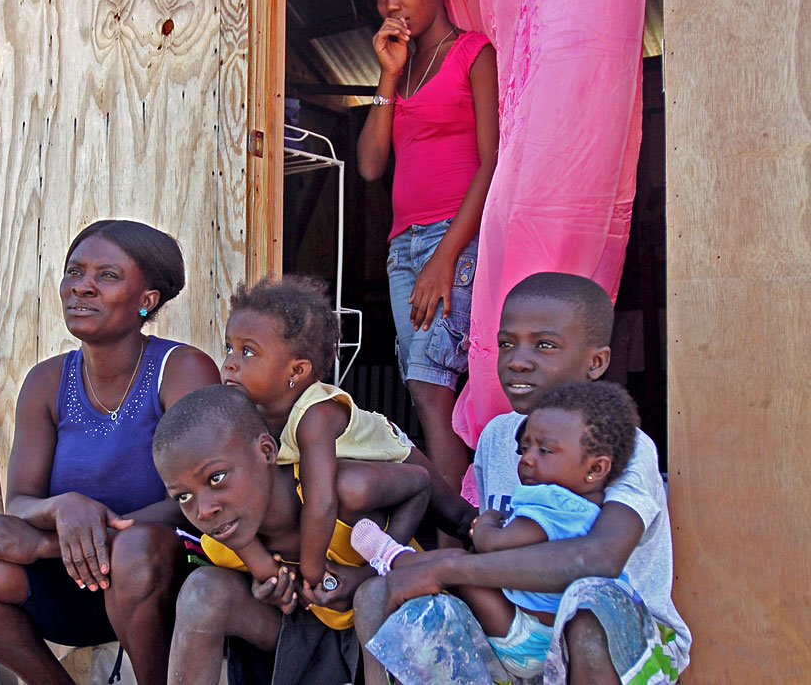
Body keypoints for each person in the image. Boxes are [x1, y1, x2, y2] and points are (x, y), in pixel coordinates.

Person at [353, 272, 691, 684]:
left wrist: (447, 569)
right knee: (390, 601)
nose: (517, 359)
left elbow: (599, 558)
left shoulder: (624, 447)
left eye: (544, 345)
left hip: (627, 639)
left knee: (587, 609)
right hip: (521, 630)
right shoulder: (498, 436)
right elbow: (479, 536)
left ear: (595, 362)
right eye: (506, 343)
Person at [0, 220, 221, 684]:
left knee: (135, 550)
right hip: (78, 580)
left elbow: (204, 503)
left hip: (165, 578)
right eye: (74, 271)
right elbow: (21, 501)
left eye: (107, 276)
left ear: (147, 300)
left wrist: (48, 541)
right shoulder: (47, 382)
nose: (81, 287)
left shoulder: (182, 369)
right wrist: (63, 507)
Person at [351, 380, 640, 682]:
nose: (527, 458)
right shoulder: (592, 508)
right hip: (548, 635)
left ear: (595, 469)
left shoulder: (550, 499)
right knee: (455, 566)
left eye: (545, 451)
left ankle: (394, 557)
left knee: (454, 563)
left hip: (525, 635)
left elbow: (493, 546)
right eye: (525, 448)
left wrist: (486, 523)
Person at [351, 0, 499, 519]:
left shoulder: (472, 53)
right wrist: (386, 78)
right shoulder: (403, 68)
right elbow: (368, 165)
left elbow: (491, 162)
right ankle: (457, 527)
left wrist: (447, 257)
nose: (392, 3)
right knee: (423, 388)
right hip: (402, 248)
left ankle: (458, 533)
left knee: (434, 388)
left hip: (452, 240)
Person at [153, 384, 431, 685]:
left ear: (266, 452)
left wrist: (371, 571)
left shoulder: (343, 490)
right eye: (183, 496)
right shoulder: (226, 540)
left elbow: (421, 484)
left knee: (371, 597)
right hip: (308, 640)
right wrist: (270, 591)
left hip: (389, 629)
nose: (203, 511)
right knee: (202, 592)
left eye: (216, 478)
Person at [221, 276, 476, 591]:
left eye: (247, 352)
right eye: (229, 348)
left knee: (460, 519)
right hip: (362, 477)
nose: (230, 363)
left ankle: (495, 561)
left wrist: (312, 575)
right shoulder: (250, 411)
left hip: (394, 454)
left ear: (296, 371)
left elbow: (321, 502)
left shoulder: (316, 414)